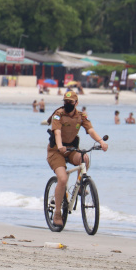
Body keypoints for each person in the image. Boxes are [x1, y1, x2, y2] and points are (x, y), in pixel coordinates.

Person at [45, 90, 108, 230]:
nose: (67, 104)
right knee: (62, 179)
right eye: (65, 102)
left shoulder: (81, 116)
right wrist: (60, 146)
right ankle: (56, 214)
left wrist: (101, 142)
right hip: (56, 151)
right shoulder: (58, 114)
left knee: (85, 158)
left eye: (70, 102)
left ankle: (80, 187)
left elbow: (90, 130)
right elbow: (57, 132)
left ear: (76, 103)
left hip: (72, 149)